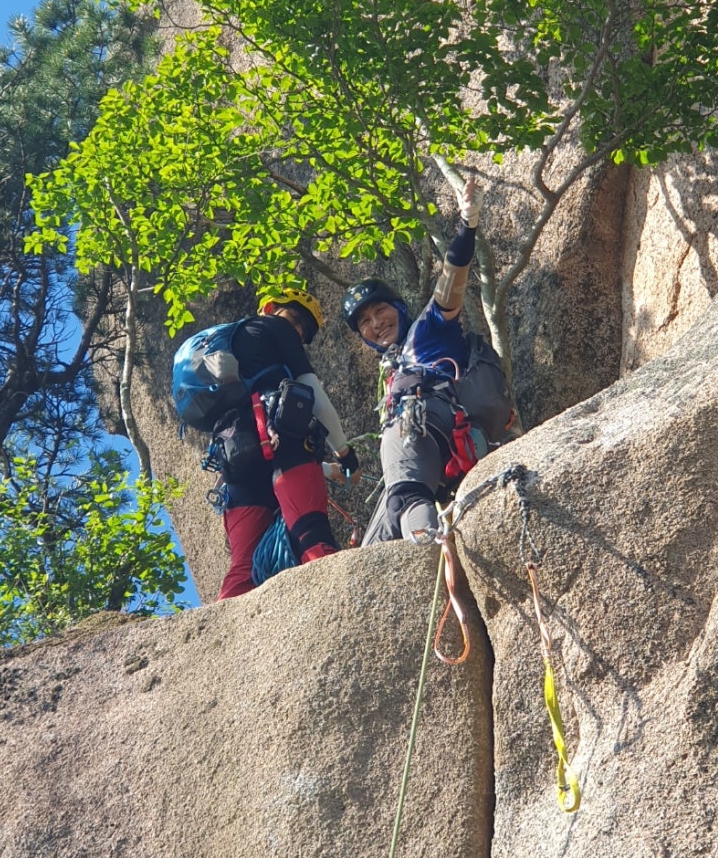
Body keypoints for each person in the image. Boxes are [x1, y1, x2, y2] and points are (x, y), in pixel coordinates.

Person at [342, 178, 509, 545]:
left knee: (404, 499)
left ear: (399, 309)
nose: (375, 324)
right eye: (364, 323)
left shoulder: (426, 330)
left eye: (380, 311)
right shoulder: (394, 365)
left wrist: (467, 225)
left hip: (426, 422)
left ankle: (427, 550)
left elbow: (451, 283)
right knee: (381, 531)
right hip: (450, 442)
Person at [209, 287, 360, 599]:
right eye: (296, 318)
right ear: (271, 307)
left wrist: (327, 469)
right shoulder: (272, 326)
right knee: (309, 530)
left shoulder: (233, 347)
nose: (298, 330)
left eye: (303, 330)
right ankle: (338, 602)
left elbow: (262, 444)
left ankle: (221, 634)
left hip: (238, 456)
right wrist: (345, 454)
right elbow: (312, 394)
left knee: (244, 563)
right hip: (285, 435)